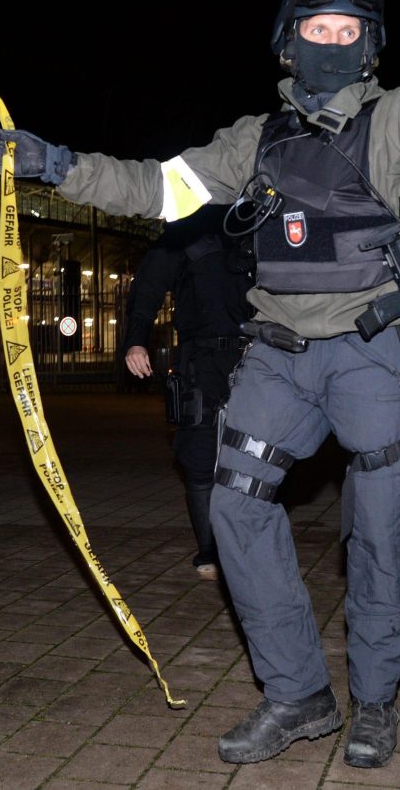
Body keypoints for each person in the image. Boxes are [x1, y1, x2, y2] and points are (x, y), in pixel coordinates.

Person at [0, 0, 400, 768]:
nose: (332, 43)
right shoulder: (251, 141)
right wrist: (56, 165)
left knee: (377, 532)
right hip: (278, 352)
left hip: (373, 352)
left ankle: (374, 701)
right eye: (316, 28)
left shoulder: (391, 123)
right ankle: (297, 693)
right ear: (288, 42)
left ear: (369, 47)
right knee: (234, 508)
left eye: (348, 31)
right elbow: (156, 187)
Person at [122, 203, 254, 581]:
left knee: (257, 457)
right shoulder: (183, 233)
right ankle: (209, 552)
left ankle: (247, 544)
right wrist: (136, 342)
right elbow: (146, 291)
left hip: (257, 357)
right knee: (199, 460)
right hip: (202, 360)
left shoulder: (252, 223)